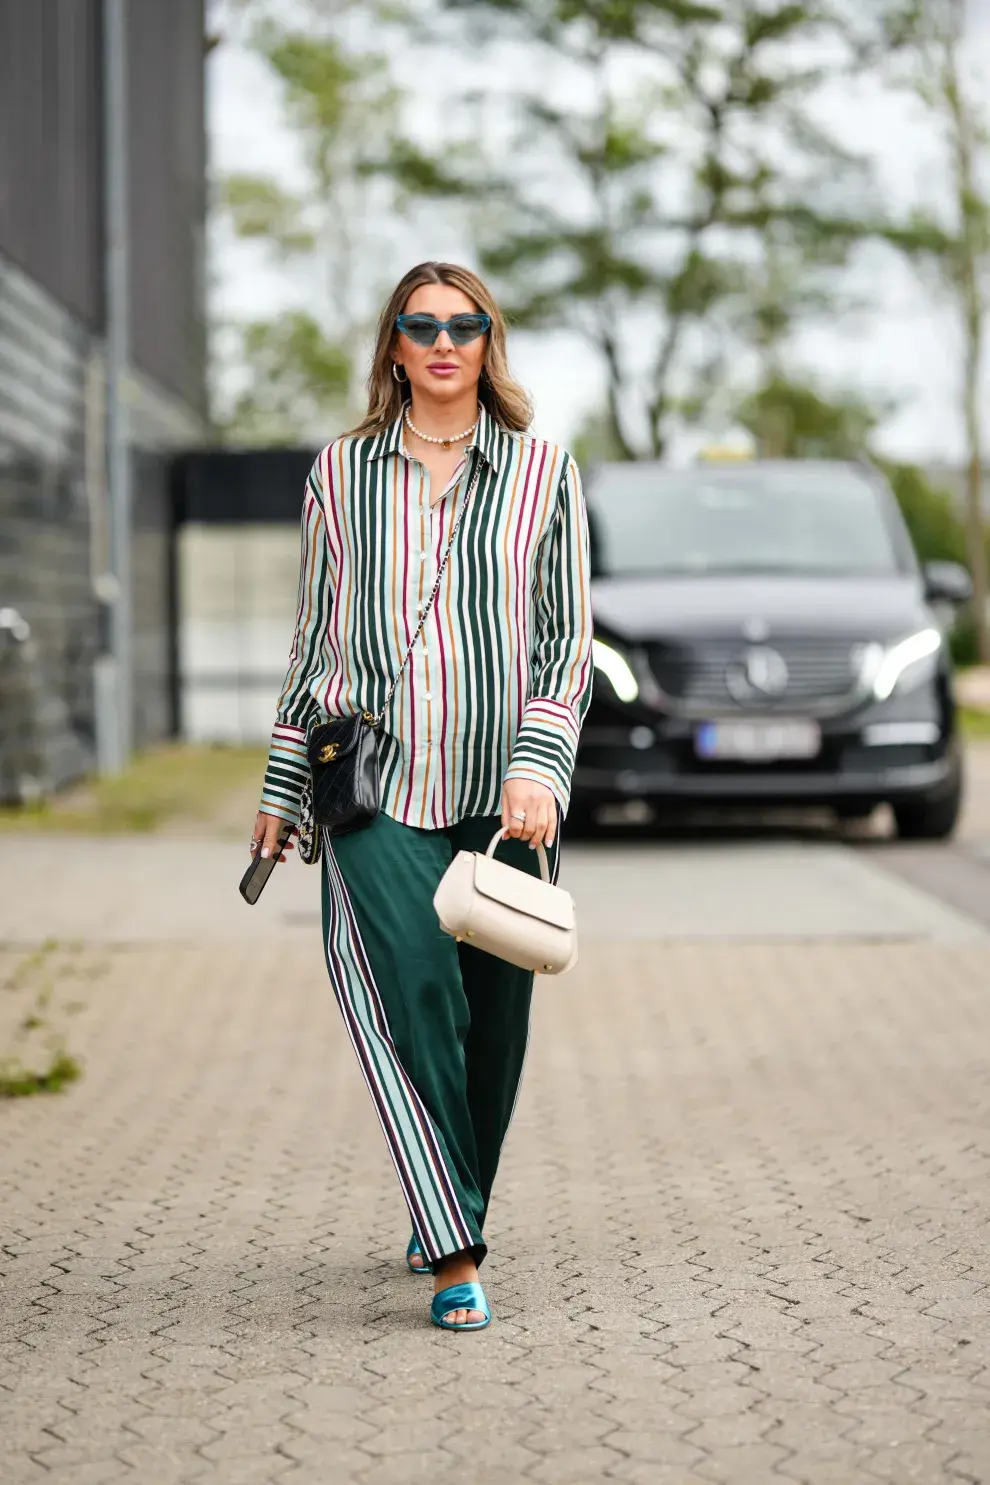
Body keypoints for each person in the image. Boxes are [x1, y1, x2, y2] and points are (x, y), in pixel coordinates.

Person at [250, 261, 593, 1331]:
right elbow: (312, 641)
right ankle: (453, 1247)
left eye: (465, 324)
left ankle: (452, 1190)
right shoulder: (340, 474)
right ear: (393, 345)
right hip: (373, 788)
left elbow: (566, 642)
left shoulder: (546, 472)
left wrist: (541, 766)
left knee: (492, 1027)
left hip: (504, 799)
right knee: (409, 1000)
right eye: (421, 324)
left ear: (491, 342)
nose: (444, 341)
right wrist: (279, 785)